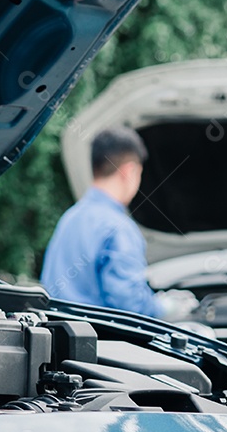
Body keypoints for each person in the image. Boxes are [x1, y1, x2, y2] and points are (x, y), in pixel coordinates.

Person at [41, 127, 197, 320]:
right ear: (129, 171)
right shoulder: (118, 228)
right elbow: (130, 305)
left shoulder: (70, 219)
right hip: (100, 346)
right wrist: (165, 307)